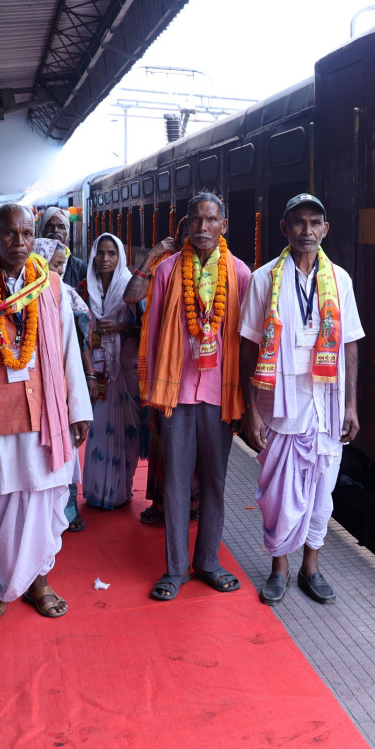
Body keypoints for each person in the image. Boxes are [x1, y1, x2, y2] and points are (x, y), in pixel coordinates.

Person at [0, 203, 92, 620]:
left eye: (27, 234)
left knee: (44, 500)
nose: (20, 242)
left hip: (45, 416)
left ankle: (39, 582)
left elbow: (68, 355)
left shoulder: (52, 287)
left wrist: (78, 410)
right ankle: (2, 583)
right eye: (10, 234)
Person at [239, 194, 362, 606]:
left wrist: (351, 406)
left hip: (325, 408)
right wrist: (251, 408)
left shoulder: (339, 280)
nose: (306, 231)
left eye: (314, 223)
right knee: (277, 494)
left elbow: (349, 345)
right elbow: (248, 347)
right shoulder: (263, 279)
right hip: (280, 407)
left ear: (325, 230)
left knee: (322, 493)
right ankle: (279, 567)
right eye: (298, 223)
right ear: (284, 229)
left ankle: (311, 566)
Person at [142, 191, 250, 601]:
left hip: (219, 397)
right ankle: (174, 569)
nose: (203, 228)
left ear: (224, 226)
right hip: (176, 394)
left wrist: (243, 403)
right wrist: (151, 397)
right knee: (174, 484)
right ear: (186, 224)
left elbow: (244, 341)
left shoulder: (240, 273)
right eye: (196, 220)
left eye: (211, 220)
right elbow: (152, 336)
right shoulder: (168, 271)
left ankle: (208, 561)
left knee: (215, 483)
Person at [128, 221, 190, 525]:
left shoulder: (221, 272)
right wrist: (152, 253)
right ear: (176, 239)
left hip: (194, 371)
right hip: (163, 367)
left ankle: (191, 503)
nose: (194, 236)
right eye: (187, 232)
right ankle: (162, 503)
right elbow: (131, 297)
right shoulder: (163, 266)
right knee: (162, 439)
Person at [37, 238, 95, 533]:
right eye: (55, 264)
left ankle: (67, 510)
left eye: (62, 265)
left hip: (61, 384)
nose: (60, 270)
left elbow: (80, 340)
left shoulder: (64, 293)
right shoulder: (23, 295)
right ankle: (43, 515)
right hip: (35, 388)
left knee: (67, 454)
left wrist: (87, 377)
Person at [82, 233, 141, 510]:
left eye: (111, 253)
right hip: (94, 370)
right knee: (96, 429)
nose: (105, 259)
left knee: (125, 432)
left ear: (120, 257)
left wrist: (120, 327)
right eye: (101, 253)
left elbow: (144, 328)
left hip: (124, 374)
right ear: (93, 254)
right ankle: (96, 491)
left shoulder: (131, 286)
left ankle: (120, 492)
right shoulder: (85, 287)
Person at [37, 206, 85, 288]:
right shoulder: (31, 262)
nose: (55, 230)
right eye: (49, 226)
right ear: (42, 230)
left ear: (67, 233)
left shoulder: (78, 267)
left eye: (61, 227)